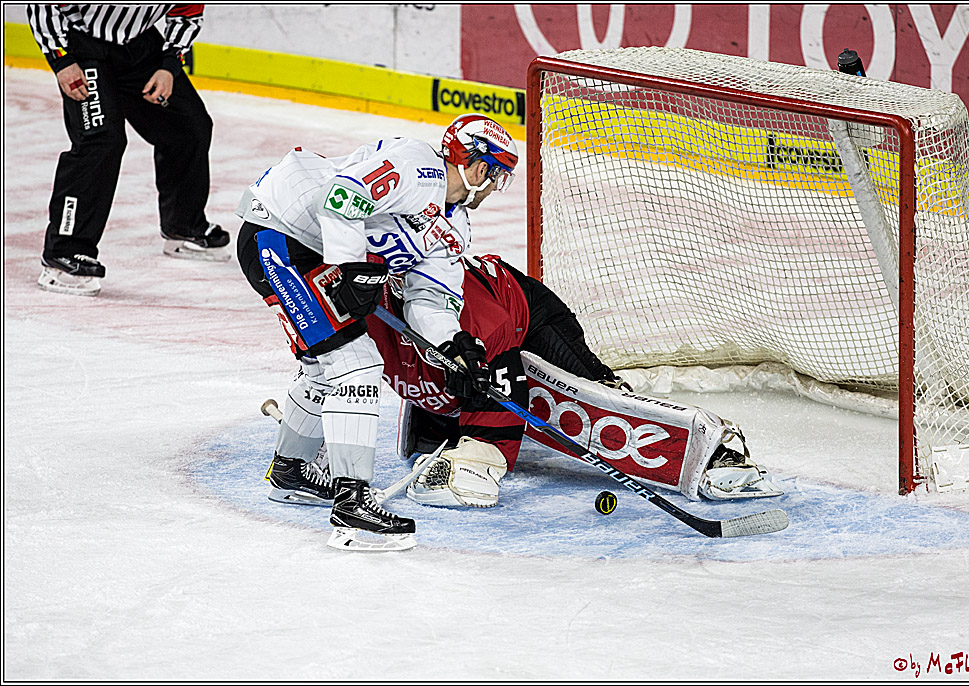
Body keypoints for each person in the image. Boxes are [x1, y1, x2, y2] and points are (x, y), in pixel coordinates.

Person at [269, 252, 781, 513]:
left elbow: (502, 365)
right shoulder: (356, 303)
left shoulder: (469, 316)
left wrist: (478, 422)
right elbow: (323, 362)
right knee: (446, 402)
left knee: (593, 393)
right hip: (464, 337)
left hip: (527, 312)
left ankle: (716, 450)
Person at [236, 113, 519, 551]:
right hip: (281, 235)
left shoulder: (455, 227)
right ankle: (353, 507)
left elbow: (430, 301)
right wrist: (349, 266)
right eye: (497, 172)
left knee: (324, 367)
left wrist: (457, 349)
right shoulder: (416, 166)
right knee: (357, 363)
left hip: (311, 255)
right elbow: (342, 195)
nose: (495, 183)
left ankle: (290, 471)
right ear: (479, 166)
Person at [28, 4, 228, 297]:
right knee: (101, 140)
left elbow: (187, 12)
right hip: (82, 45)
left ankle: (183, 227)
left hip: (140, 46)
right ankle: (64, 252)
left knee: (189, 128)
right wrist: (61, 57)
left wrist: (170, 64)